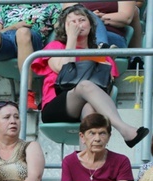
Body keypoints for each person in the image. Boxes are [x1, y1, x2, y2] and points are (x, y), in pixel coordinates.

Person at [31, 4, 149, 147]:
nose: (77, 24)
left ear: (91, 25)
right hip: (56, 106)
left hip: (89, 106)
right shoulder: (56, 47)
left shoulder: (101, 54)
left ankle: (86, 160)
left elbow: (106, 85)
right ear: (65, 27)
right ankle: (124, 129)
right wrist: (72, 39)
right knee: (85, 85)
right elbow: (63, 68)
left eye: (81, 20)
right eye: (72, 22)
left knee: (90, 109)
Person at [0, 3, 60, 114]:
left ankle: (27, 94)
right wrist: (14, 26)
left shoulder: (52, 5)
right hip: (7, 39)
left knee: (23, 32)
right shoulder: (7, 5)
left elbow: (60, 29)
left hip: (33, 40)